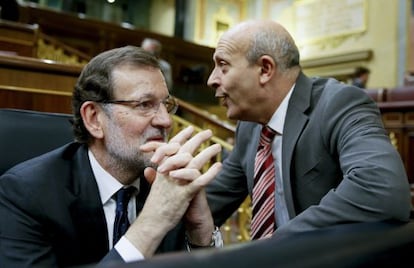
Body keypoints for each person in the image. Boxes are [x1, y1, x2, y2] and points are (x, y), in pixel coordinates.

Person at [0, 46, 223, 267]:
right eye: (144, 105)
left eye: (166, 105)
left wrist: (200, 234)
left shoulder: (169, 183)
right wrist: (152, 222)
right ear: (94, 119)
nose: (165, 121)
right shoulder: (26, 195)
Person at [206, 20, 411, 238]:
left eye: (223, 66)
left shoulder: (339, 103)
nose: (211, 80)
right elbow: (213, 202)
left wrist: (275, 245)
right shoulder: (249, 127)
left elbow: (382, 190)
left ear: (265, 69)